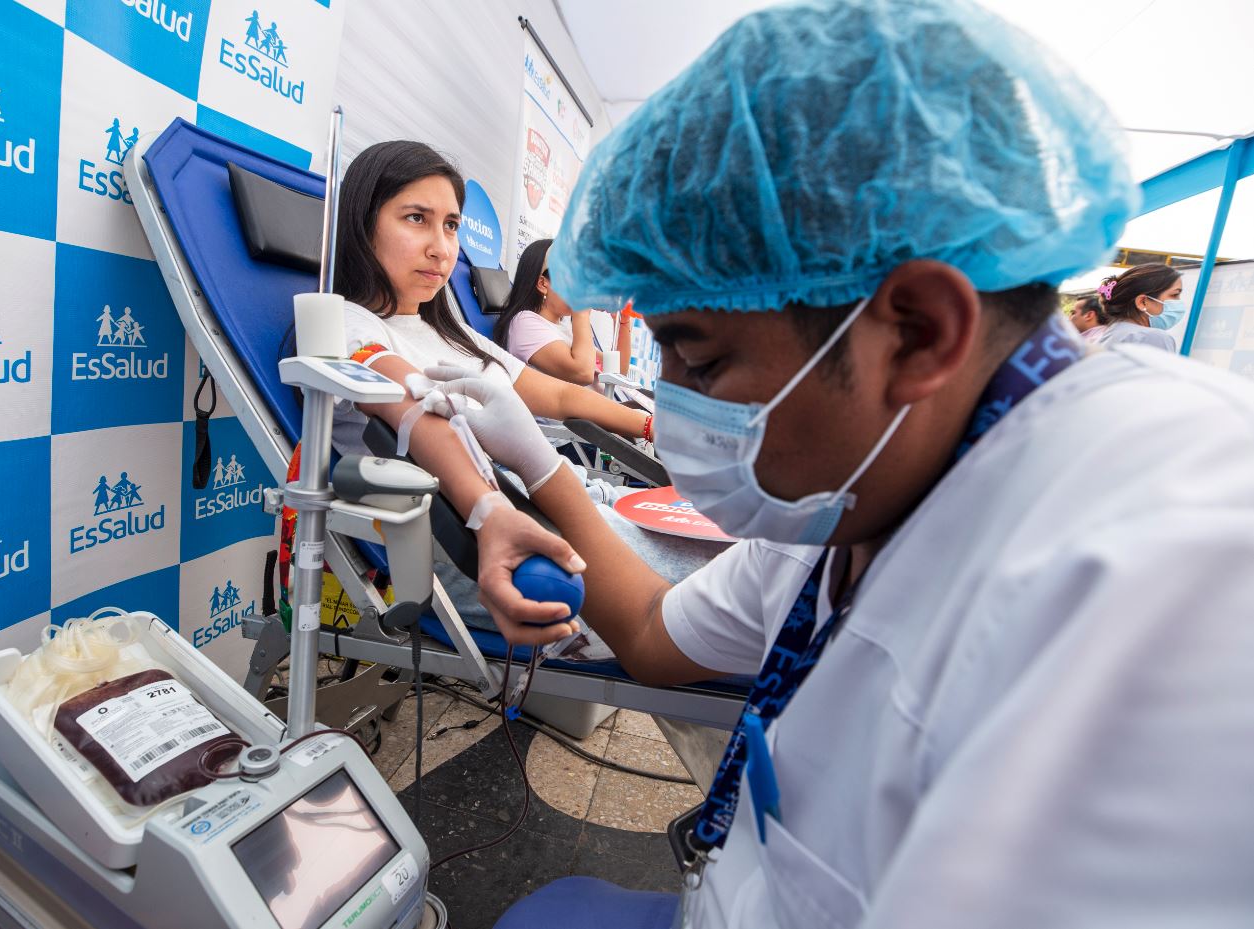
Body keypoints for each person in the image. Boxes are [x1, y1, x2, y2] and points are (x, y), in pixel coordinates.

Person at [446, 2, 1254, 926]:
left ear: (917, 332)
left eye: (703, 361)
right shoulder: (867, 481)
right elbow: (652, 635)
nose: (670, 416)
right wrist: (528, 476)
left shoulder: (1183, 574)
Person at [276, 140, 711, 632]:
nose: (441, 248)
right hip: (502, 548)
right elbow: (418, 412)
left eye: (451, 225)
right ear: (363, 223)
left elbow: (561, 395)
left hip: (561, 503)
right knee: (730, 599)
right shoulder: (350, 326)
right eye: (415, 218)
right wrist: (491, 511)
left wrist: (653, 425)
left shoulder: (450, 329)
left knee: (734, 555)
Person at [493, 238, 633, 388]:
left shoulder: (564, 328)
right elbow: (583, 373)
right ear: (542, 284)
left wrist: (623, 321)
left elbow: (618, 371)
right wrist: (581, 311)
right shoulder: (524, 323)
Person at [1092, 263, 1185, 351]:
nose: (1179, 301)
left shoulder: (1109, 335)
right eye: (1175, 294)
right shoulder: (1152, 338)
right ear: (1142, 302)